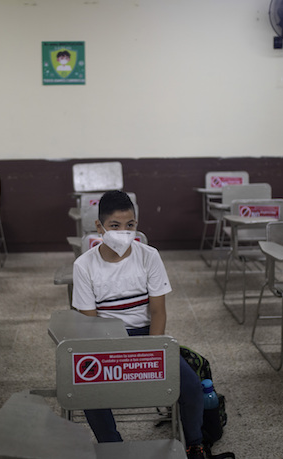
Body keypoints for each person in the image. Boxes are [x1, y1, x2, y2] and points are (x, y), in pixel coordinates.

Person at [72, 190, 207, 459]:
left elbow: (158, 313)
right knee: (86, 388)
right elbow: (89, 323)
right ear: (99, 228)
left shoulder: (149, 256)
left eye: (130, 225)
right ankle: (114, 446)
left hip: (147, 335)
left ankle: (194, 442)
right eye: (115, 226)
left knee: (191, 386)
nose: (124, 232)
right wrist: (113, 358)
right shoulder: (84, 265)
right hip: (105, 338)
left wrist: (151, 352)